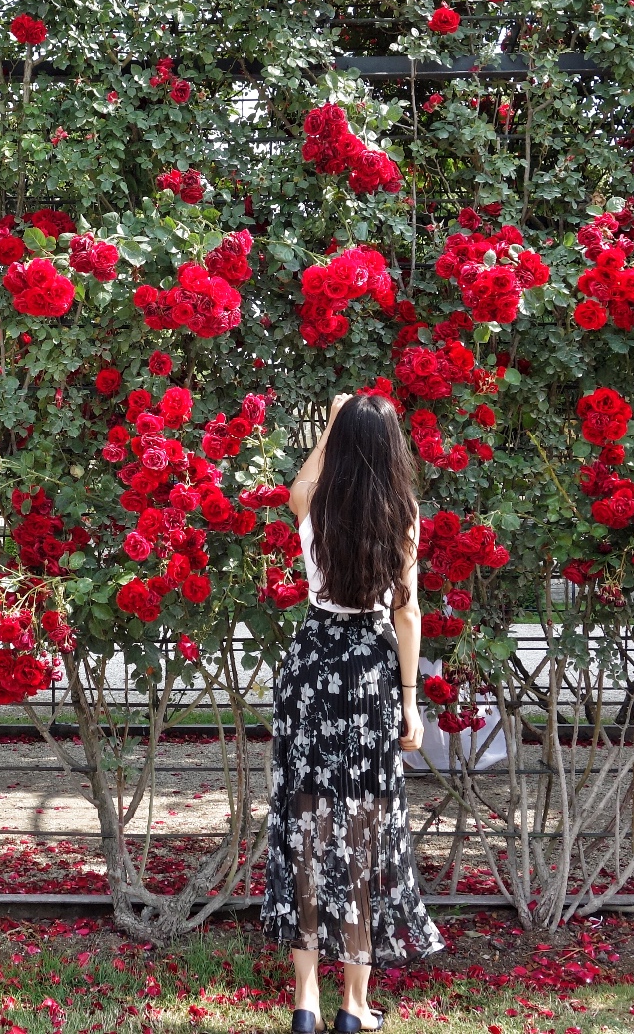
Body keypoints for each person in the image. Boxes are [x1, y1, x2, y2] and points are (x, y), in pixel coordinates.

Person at [262, 393, 443, 1033]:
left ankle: (305, 1004)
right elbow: (409, 613)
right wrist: (410, 702)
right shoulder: (404, 514)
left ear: (339, 444)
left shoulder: (316, 505)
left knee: (307, 827)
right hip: (369, 671)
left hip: (312, 665)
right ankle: (353, 1005)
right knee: (363, 833)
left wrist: (332, 421)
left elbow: (299, 484)